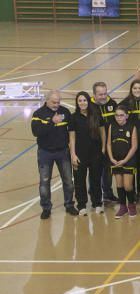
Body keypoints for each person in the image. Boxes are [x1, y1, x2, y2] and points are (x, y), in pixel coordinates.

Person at [31, 90, 77, 218]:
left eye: (58, 102)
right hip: (45, 153)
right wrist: (52, 122)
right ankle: (46, 208)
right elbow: (36, 132)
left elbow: (71, 131)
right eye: (54, 102)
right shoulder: (38, 114)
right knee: (44, 181)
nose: (57, 105)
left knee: (68, 180)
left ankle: (69, 205)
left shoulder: (65, 112)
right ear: (47, 101)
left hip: (63, 152)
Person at [69, 91, 104, 215]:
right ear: (77, 103)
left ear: (88, 102)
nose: (82, 103)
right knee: (79, 181)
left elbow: (102, 133)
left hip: (95, 153)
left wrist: (103, 148)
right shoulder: (73, 118)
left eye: (84, 100)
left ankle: (97, 203)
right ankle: (82, 204)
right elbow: (72, 137)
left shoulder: (96, 115)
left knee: (95, 179)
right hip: (80, 154)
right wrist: (73, 154)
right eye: (80, 101)